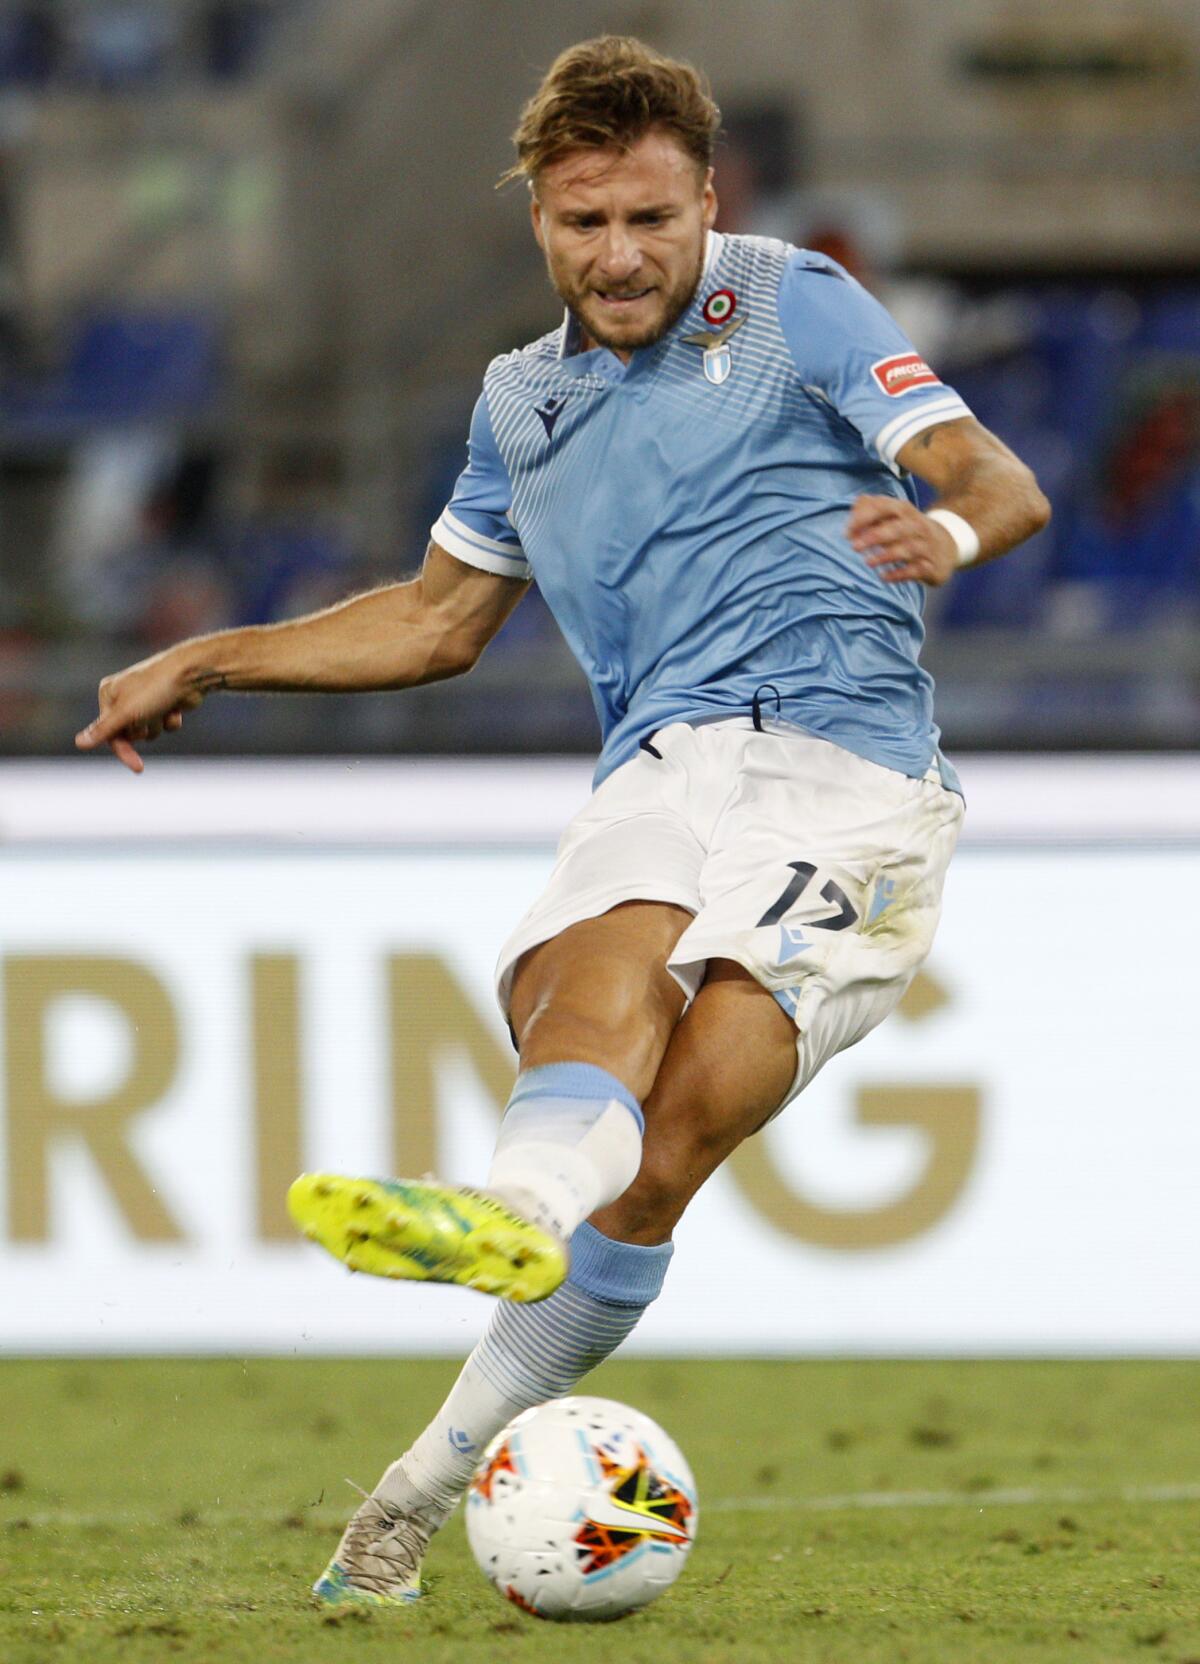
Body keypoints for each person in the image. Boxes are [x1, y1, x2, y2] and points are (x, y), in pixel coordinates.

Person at [76, 36, 1050, 1608]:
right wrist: (207, 655)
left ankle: (418, 1479)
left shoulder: (789, 298)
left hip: (847, 771)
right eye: (586, 224)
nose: (621, 255)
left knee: (676, 1134)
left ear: (704, 203)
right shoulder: (516, 403)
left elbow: (991, 473)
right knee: (589, 986)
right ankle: (509, 1228)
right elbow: (437, 621)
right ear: (537, 216)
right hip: (659, 766)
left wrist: (937, 527)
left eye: (652, 220)